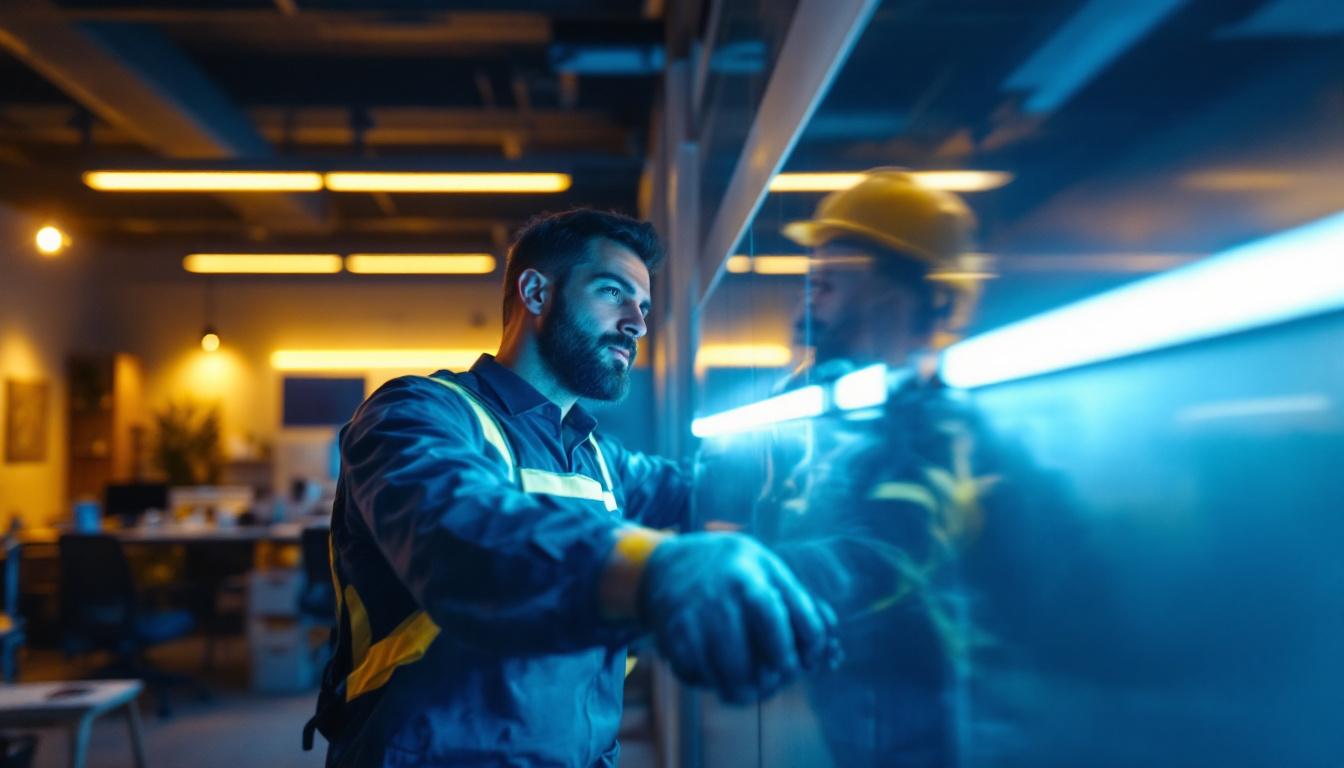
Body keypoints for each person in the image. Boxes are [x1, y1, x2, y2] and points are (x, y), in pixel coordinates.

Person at [304, 209, 839, 768]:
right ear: (536, 291)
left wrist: (794, 412)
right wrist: (656, 567)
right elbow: (460, 539)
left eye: (645, 307)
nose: (636, 322)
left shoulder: (593, 456)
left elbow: (700, 489)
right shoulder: (417, 413)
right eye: (614, 293)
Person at [758, 169, 1073, 767]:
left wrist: (729, 575)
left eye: (832, 278)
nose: (810, 296)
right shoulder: (854, 417)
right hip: (865, 726)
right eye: (812, 277)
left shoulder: (945, 434)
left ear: (911, 293)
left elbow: (884, 556)